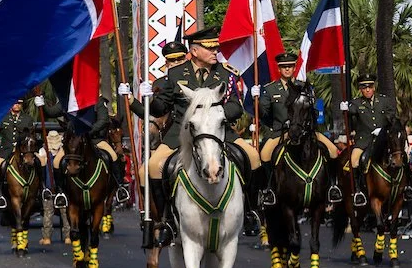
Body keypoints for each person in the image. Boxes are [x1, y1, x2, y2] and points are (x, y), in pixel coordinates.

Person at [137, 27, 260, 246]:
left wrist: (218, 115)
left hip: (218, 130)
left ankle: (251, 210)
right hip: (181, 132)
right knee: (153, 166)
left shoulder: (226, 73)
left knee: (252, 157)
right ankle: (165, 220)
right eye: (210, 48)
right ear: (194, 51)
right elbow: (160, 108)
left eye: (216, 47)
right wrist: (146, 98)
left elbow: (235, 106)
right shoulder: (175, 74)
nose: (215, 51)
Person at [255, 51, 339, 205]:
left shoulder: (304, 87)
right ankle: (268, 190)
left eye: (290, 66)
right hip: (281, 132)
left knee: (333, 150)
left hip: (305, 132)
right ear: (279, 69)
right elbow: (264, 114)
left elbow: (313, 112)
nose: (287, 69)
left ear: (294, 68)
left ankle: (332, 186)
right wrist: (259, 101)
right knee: (265, 154)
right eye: (284, 67)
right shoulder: (270, 89)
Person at [343, 73, 398, 207]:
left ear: (374, 87)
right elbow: (350, 113)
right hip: (364, 141)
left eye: (370, 87)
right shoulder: (356, 103)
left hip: (383, 139)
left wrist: (383, 129)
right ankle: (358, 191)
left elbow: (392, 116)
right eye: (364, 87)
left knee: (401, 157)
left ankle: (406, 188)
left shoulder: (384, 101)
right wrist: (344, 109)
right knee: (354, 162)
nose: (367, 90)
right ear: (360, 89)